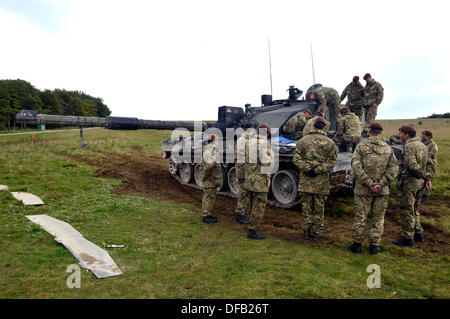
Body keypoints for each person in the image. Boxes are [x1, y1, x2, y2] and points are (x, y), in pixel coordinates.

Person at [348, 122, 398, 254]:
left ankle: (357, 244)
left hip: (363, 189)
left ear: (369, 131)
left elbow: (356, 167)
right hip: (382, 190)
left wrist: (369, 183)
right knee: (378, 218)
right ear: (380, 132)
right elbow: (393, 168)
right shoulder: (388, 149)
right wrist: (381, 183)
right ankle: (374, 245)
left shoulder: (361, 147)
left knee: (361, 217)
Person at [293, 117, 338, 241]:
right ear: (324, 127)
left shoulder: (303, 141)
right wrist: (317, 170)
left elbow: (296, 158)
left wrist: (308, 169)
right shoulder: (330, 143)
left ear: (313, 125)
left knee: (306, 207)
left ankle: (306, 232)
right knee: (319, 209)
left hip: (306, 180)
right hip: (321, 182)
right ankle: (318, 233)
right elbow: (332, 161)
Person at [392, 125, 431, 246]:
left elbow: (411, 165)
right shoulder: (422, 145)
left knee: (406, 210)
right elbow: (426, 163)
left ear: (407, 134)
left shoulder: (409, 146)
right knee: (415, 209)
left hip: (410, 182)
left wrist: (423, 175)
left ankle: (407, 237)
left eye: (401, 134)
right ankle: (418, 232)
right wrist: (426, 178)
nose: (400, 136)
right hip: (419, 183)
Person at [244, 123, 274, 239]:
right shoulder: (264, 143)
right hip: (260, 181)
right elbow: (266, 163)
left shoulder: (249, 142)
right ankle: (252, 231)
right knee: (259, 205)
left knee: (252, 204)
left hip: (250, 178)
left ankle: (250, 225)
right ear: (266, 133)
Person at [235, 123, 256, 224]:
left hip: (249, 171)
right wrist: (242, 174)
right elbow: (240, 159)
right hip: (244, 171)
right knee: (243, 193)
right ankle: (240, 214)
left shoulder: (250, 139)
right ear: (250, 130)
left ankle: (244, 213)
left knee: (247, 193)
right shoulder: (242, 140)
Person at [200, 134, 222, 224]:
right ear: (214, 141)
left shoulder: (207, 148)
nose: (218, 142)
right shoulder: (211, 150)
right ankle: (205, 216)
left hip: (210, 178)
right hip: (210, 179)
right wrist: (204, 176)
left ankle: (208, 213)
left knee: (209, 196)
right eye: (217, 140)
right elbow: (209, 165)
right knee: (208, 197)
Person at [421, 130, 438, 201]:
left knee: (428, 179)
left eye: (423, 135)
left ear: (428, 136)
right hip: (422, 164)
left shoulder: (433, 145)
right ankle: (421, 194)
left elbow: (432, 155)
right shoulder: (421, 142)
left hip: (430, 165)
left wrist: (422, 156)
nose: (422, 136)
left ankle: (426, 195)